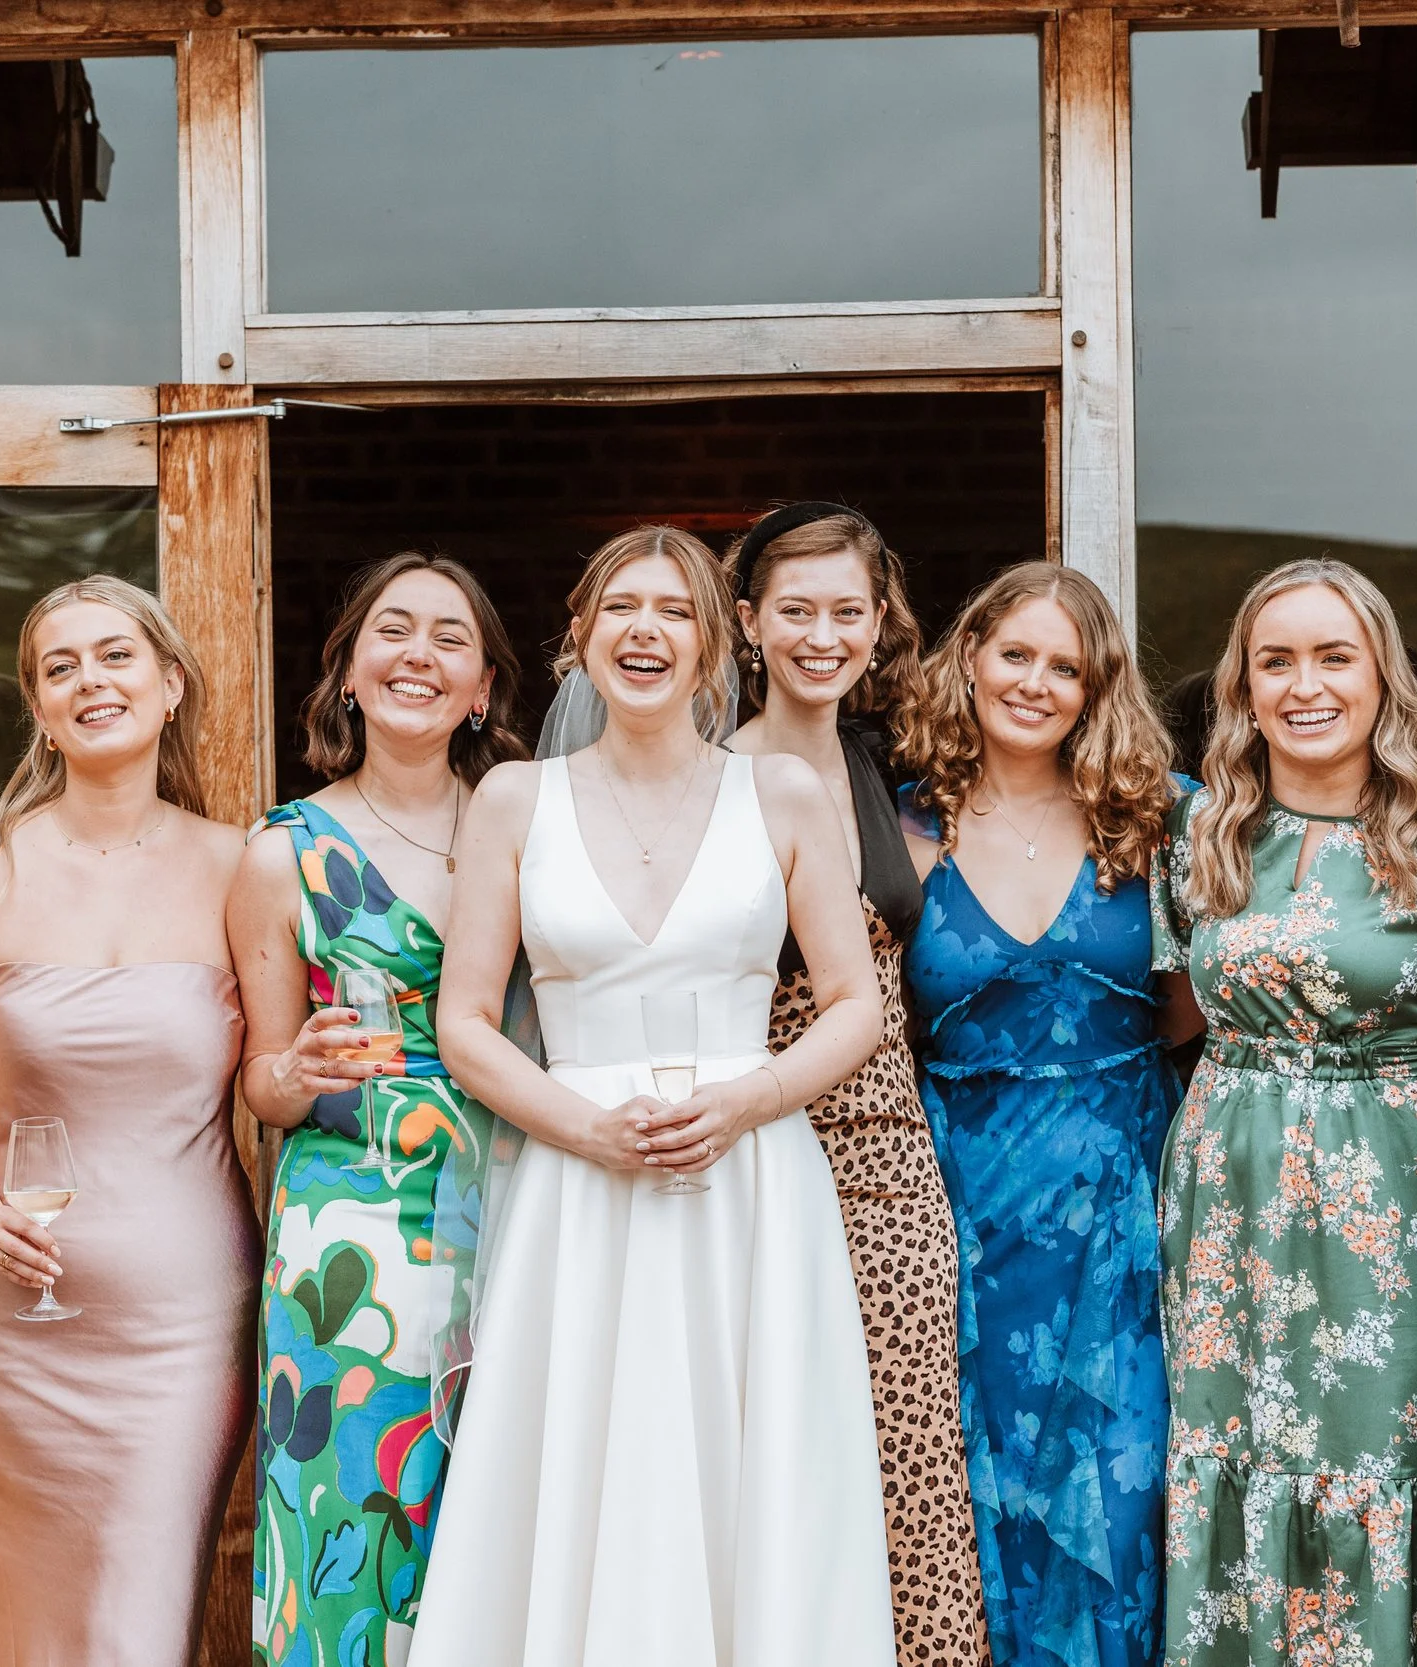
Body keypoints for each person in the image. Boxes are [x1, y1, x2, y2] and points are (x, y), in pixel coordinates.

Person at [410, 524, 895, 1667]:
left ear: (714, 643)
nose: (645, 630)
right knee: (585, 1457)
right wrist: (582, 1129)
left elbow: (853, 1005)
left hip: (748, 1176)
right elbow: (464, 1019)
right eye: (620, 607)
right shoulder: (515, 801)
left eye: (675, 610)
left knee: (750, 1465)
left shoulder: (777, 793)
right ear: (577, 636)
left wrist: (747, 1100)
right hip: (577, 1184)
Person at [0, 576, 255, 1667]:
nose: (90, 681)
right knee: (5, 1625)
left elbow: (277, 1074)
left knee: (138, 1623)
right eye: (61, 667)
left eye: (116, 657)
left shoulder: (243, 866)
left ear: (171, 684)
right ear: (40, 710)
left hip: (179, 1325)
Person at [1151, 558, 1417, 1667]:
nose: (1304, 683)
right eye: (1275, 658)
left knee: (1376, 1447)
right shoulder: (1199, 831)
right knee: (1231, 1443)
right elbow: (1155, 1019)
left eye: (1333, 655)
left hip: (1385, 1197)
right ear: (1242, 687)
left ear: (1384, 677)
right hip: (1225, 1191)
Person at [233, 552, 527, 1667]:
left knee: (496, 1519)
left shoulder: (537, 829)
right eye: (391, 632)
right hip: (349, 1240)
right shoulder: (283, 852)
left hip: (525, 1198)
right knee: (349, 1509)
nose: (420, 655)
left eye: (450, 637)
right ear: (349, 675)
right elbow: (258, 1084)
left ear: (484, 688)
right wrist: (298, 1068)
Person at [897, 562, 1193, 1667]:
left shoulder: (1156, 815)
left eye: (1063, 666)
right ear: (968, 655)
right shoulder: (900, 824)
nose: (1033, 681)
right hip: (958, 1200)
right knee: (968, 1499)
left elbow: (1214, 998)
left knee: (1121, 1494)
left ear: (1096, 686)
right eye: (1013, 653)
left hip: (1126, 1200)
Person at [722, 503, 989, 1667]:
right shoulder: (705, 775)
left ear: (881, 623)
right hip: (737, 1139)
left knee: (910, 1452)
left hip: (885, 1143)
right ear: (747, 622)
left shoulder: (903, 775)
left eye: (846, 610)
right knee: (767, 1446)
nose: (821, 634)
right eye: (796, 610)